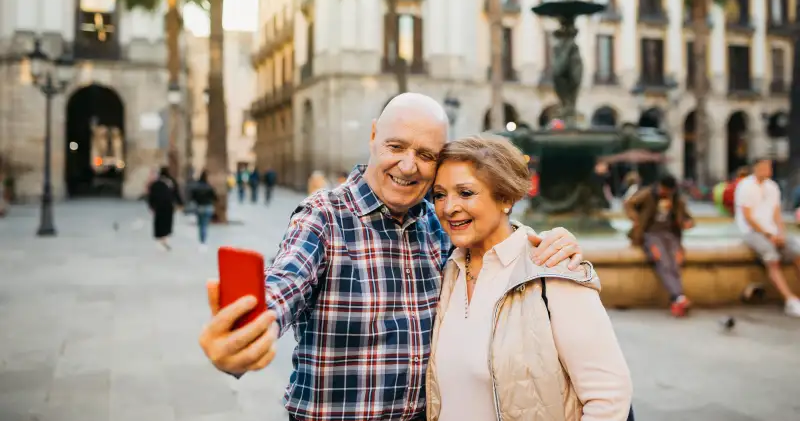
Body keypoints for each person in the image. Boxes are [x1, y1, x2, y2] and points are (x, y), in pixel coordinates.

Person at [198, 93, 585, 421]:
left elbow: (495, 239)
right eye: (396, 147)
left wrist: (545, 241)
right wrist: (246, 335)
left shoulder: (439, 225)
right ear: (372, 137)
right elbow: (284, 284)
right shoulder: (324, 217)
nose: (408, 165)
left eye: (425, 154)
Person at [427, 135, 632, 420]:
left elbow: (609, 398)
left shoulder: (553, 270)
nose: (448, 207)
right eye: (439, 194)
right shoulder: (449, 268)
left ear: (506, 198)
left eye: (465, 193)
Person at [734, 156, 800, 317]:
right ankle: (790, 300)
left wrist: (781, 233)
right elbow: (748, 217)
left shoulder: (772, 187)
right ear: (755, 168)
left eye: (769, 167)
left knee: (797, 252)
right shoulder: (745, 186)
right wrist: (769, 235)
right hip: (752, 232)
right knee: (772, 259)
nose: (768, 170)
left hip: (772, 231)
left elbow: (777, 214)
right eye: (765, 166)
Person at [624, 174, 695, 317]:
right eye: (664, 189)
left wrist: (687, 223)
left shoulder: (676, 199)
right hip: (651, 234)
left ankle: (677, 298)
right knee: (662, 261)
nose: (665, 193)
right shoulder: (648, 194)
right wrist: (636, 220)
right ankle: (678, 297)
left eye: (668, 191)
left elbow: (688, 218)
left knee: (675, 263)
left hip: (671, 235)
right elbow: (628, 204)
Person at [147, 166, 183, 251]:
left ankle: (160, 239)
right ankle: (165, 239)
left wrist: (151, 206)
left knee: (159, 222)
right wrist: (180, 203)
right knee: (167, 222)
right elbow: (176, 193)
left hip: (159, 206)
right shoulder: (171, 182)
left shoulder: (155, 183)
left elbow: (151, 196)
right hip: (168, 205)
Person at [191, 170, 217, 249]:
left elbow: (193, 197)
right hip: (208, 207)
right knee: (205, 224)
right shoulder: (209, 187)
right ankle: (203, 240)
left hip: (199, 207)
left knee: (200, 224)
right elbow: (215, 197)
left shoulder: (196, 187)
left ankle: (201, 240)